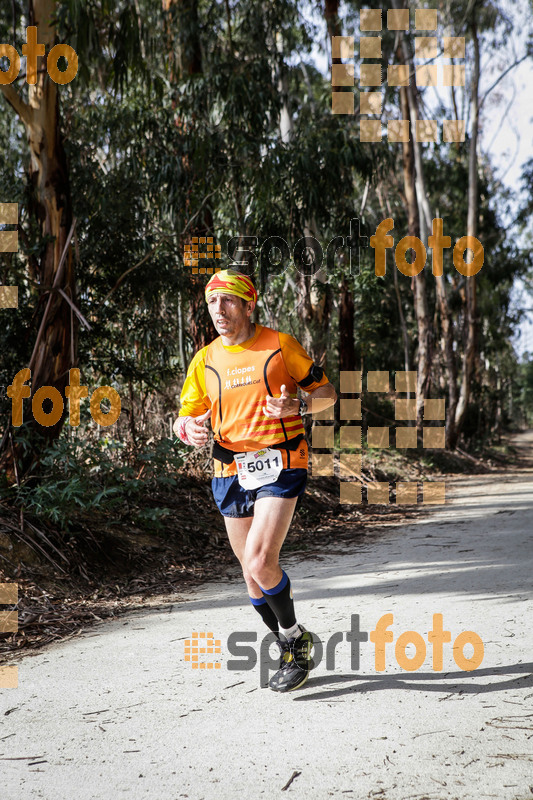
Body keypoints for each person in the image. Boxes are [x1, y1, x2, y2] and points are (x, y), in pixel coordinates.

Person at [174, 269, 337, 692]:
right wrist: (185, 429)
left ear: (249, 305)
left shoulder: (279, 345)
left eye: (228, 301)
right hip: (229, 469)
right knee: (250, 574)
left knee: (261, 560)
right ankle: (292, 641)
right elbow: (187, 414)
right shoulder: (204, 359)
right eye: (213, 303)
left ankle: (294, 644)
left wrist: (297, 405)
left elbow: (327, 395)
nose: (219, 310)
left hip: (282, 460)